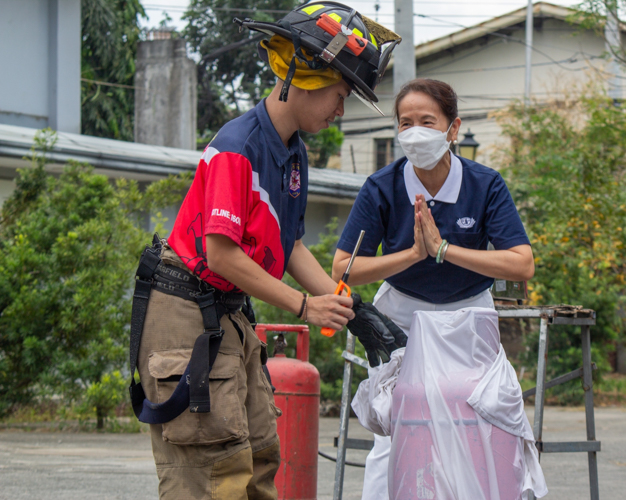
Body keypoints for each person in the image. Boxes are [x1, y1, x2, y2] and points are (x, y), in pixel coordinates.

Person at [127, 3, 406, 499]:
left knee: (257, 457)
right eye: (340, 96)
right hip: (187, 309)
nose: (340, 111)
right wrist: (304, 306)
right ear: (306, 76)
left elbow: (289, 242)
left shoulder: (292, 149)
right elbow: (222, 255)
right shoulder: (238, 148)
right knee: (213, 470)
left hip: (226, 312)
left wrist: (354, 312)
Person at [332, 78, 534, 499]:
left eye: (428, 121)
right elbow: (343, 269)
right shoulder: (382, 187)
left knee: (479, 422)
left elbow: (521, 262)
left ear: (453, 129)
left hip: (469, 319)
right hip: (401, 319)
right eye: (405, 123)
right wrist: (411, 255)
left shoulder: (485, 184)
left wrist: (444, 250)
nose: (415, 132)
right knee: (396, 429)